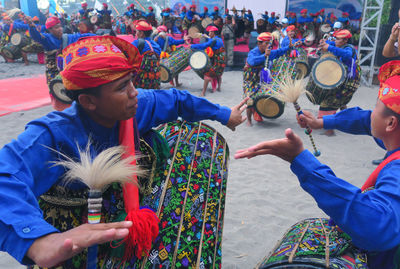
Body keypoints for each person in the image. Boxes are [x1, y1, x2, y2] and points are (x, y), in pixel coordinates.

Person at [0, 35, 248, 269]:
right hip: (71, 234)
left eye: (131, 80)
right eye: (121, 87)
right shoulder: (52, 134)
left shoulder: (136, 106)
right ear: (88, 102)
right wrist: (38, 240)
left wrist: (225, 115)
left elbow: (177, 100)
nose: (134, 93)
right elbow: (5, 175)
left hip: (117, 220)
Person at [235, 60, 400, 269]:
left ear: (391, 123)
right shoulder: (394, 136)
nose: (371, 112)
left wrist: (302, 162)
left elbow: (376, 226)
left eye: (376, 106)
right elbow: (364, 119)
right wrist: (322, 122)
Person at [27, 16, 95, 111]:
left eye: (60, 26)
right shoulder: (47, 39)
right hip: (54, 71)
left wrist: (98, 35)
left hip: (67, 69)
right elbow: (36, 36)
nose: (60, 29)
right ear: (50, 30)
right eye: (56, 27)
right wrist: (31, 26)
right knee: (57, 92)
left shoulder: (68, 38)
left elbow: (82, 36)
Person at [316, 29, 360, 136]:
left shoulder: (349, 48)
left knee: (330, 100)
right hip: (343, 77)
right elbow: (331, 44)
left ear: (345, 41)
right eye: (335, 38)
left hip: (350, 79)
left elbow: (347, 55)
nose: (336, 40)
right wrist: (324, 43)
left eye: (338, 39)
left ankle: (329, 129)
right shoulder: (340, 44)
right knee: (341, 100)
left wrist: (329, 47)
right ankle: (347, 121)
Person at [243, 32, 291, 125]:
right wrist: (264, 56)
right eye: (266, 43)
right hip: (250, 79)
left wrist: (289, 47)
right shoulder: (253, 52)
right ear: (259, 43)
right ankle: (249, 120)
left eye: (270, 43)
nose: (269, 45)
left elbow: (279, 52)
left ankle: (259, 112)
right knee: (249, 99)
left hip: (262, 78)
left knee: (262, 96)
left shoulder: (270, 52)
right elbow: (252, 61)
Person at [191, 25, 225, 96]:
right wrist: (205, 36)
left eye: (210, 32)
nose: (209, 34)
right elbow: (211, 40)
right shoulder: (219, 39)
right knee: (219, 73)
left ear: (213, 33)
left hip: (217, 59)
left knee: (207, 75)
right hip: (222, 59)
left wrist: (192, 46)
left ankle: (203, 93)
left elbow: (204, 45)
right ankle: (219, 88)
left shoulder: (213, 40)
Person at [131, 20, 161, 89]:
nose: (136, 34)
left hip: (140, 79)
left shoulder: (137, 43)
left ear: (141, 33)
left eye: (136, 31)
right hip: (154, 78)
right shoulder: (156, 45)